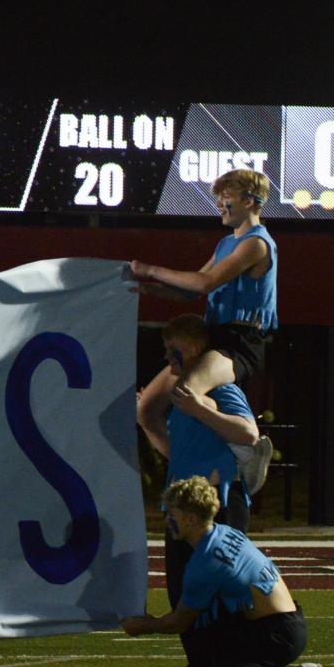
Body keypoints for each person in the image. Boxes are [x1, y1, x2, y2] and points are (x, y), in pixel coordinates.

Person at [121, 477, 323, 667]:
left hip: (277, 635)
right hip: (272, 622)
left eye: (172, 514)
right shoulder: (223, 532)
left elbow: (177, 623)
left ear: (191, 519)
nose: (167, 521)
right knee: (204, 615)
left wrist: (143, 625)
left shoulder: (204, 563)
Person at [129, 168, 278, 493]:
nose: (219, 205)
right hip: (213, 336)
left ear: (252, 201)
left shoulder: (256, 245)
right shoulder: (227, 242)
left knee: (185, 394)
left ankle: (246, 448)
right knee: (146, 411)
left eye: (227, 198)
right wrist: (153, 289)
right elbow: (193, 291)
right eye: (219, 198)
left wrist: (151, 269)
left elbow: (207, 282)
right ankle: (196, 467)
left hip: (240, 343)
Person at [148, 316, 259, 667]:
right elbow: (181, 453)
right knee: (183, 593)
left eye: (172, 346)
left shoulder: (220, 388)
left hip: (217, 507)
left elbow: (248, 433)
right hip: (185, 508)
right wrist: (146, 421)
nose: (166, 355)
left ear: (193, 348)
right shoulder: (181, 399)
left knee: (210, 597)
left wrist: (200, 408)